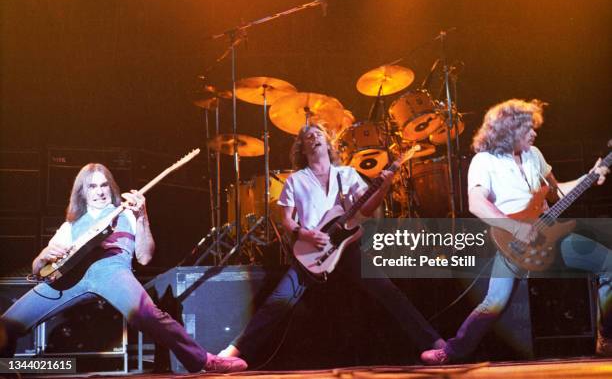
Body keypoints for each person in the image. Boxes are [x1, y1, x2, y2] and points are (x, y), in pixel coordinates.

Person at [219, 124, 445, 365]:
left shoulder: (346, 174)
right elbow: (286, 218)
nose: (314, 137)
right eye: (308, 136)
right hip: (311, 252)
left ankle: (437, 345)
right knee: (278, 301)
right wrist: (304, 233)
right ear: (302, 149)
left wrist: (385, 186)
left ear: (328, 144)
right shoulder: (296, 180)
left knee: (389, 291)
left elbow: (366, 209)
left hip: (345, 249)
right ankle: (231, 354)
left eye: (318, 134)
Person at [0, 163, 247, 373]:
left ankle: (205, 360)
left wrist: (142, 216)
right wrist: (42, 256)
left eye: (104, 185)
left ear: (112, 187)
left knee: (148, 315)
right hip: (70, 278)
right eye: (92, 186)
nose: (99, 191)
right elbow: (37, 271)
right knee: (6, 324)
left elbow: (145, 257)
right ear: (82, 193)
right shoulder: (70, 225)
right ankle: (6, 369)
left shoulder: (126, 214)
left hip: (111, 270)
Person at [420, 99, 611, 364]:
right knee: (494, 302)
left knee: (609, 264)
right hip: (512, 241)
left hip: (549, 234)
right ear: (508, 130)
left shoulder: (535, 154)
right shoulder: (483, 161)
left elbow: (558, 193)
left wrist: (590, 176)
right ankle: (450, 353)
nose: (534, 133)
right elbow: (476, 203)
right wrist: (515, 227)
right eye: (528, 129)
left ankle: (607, 337)